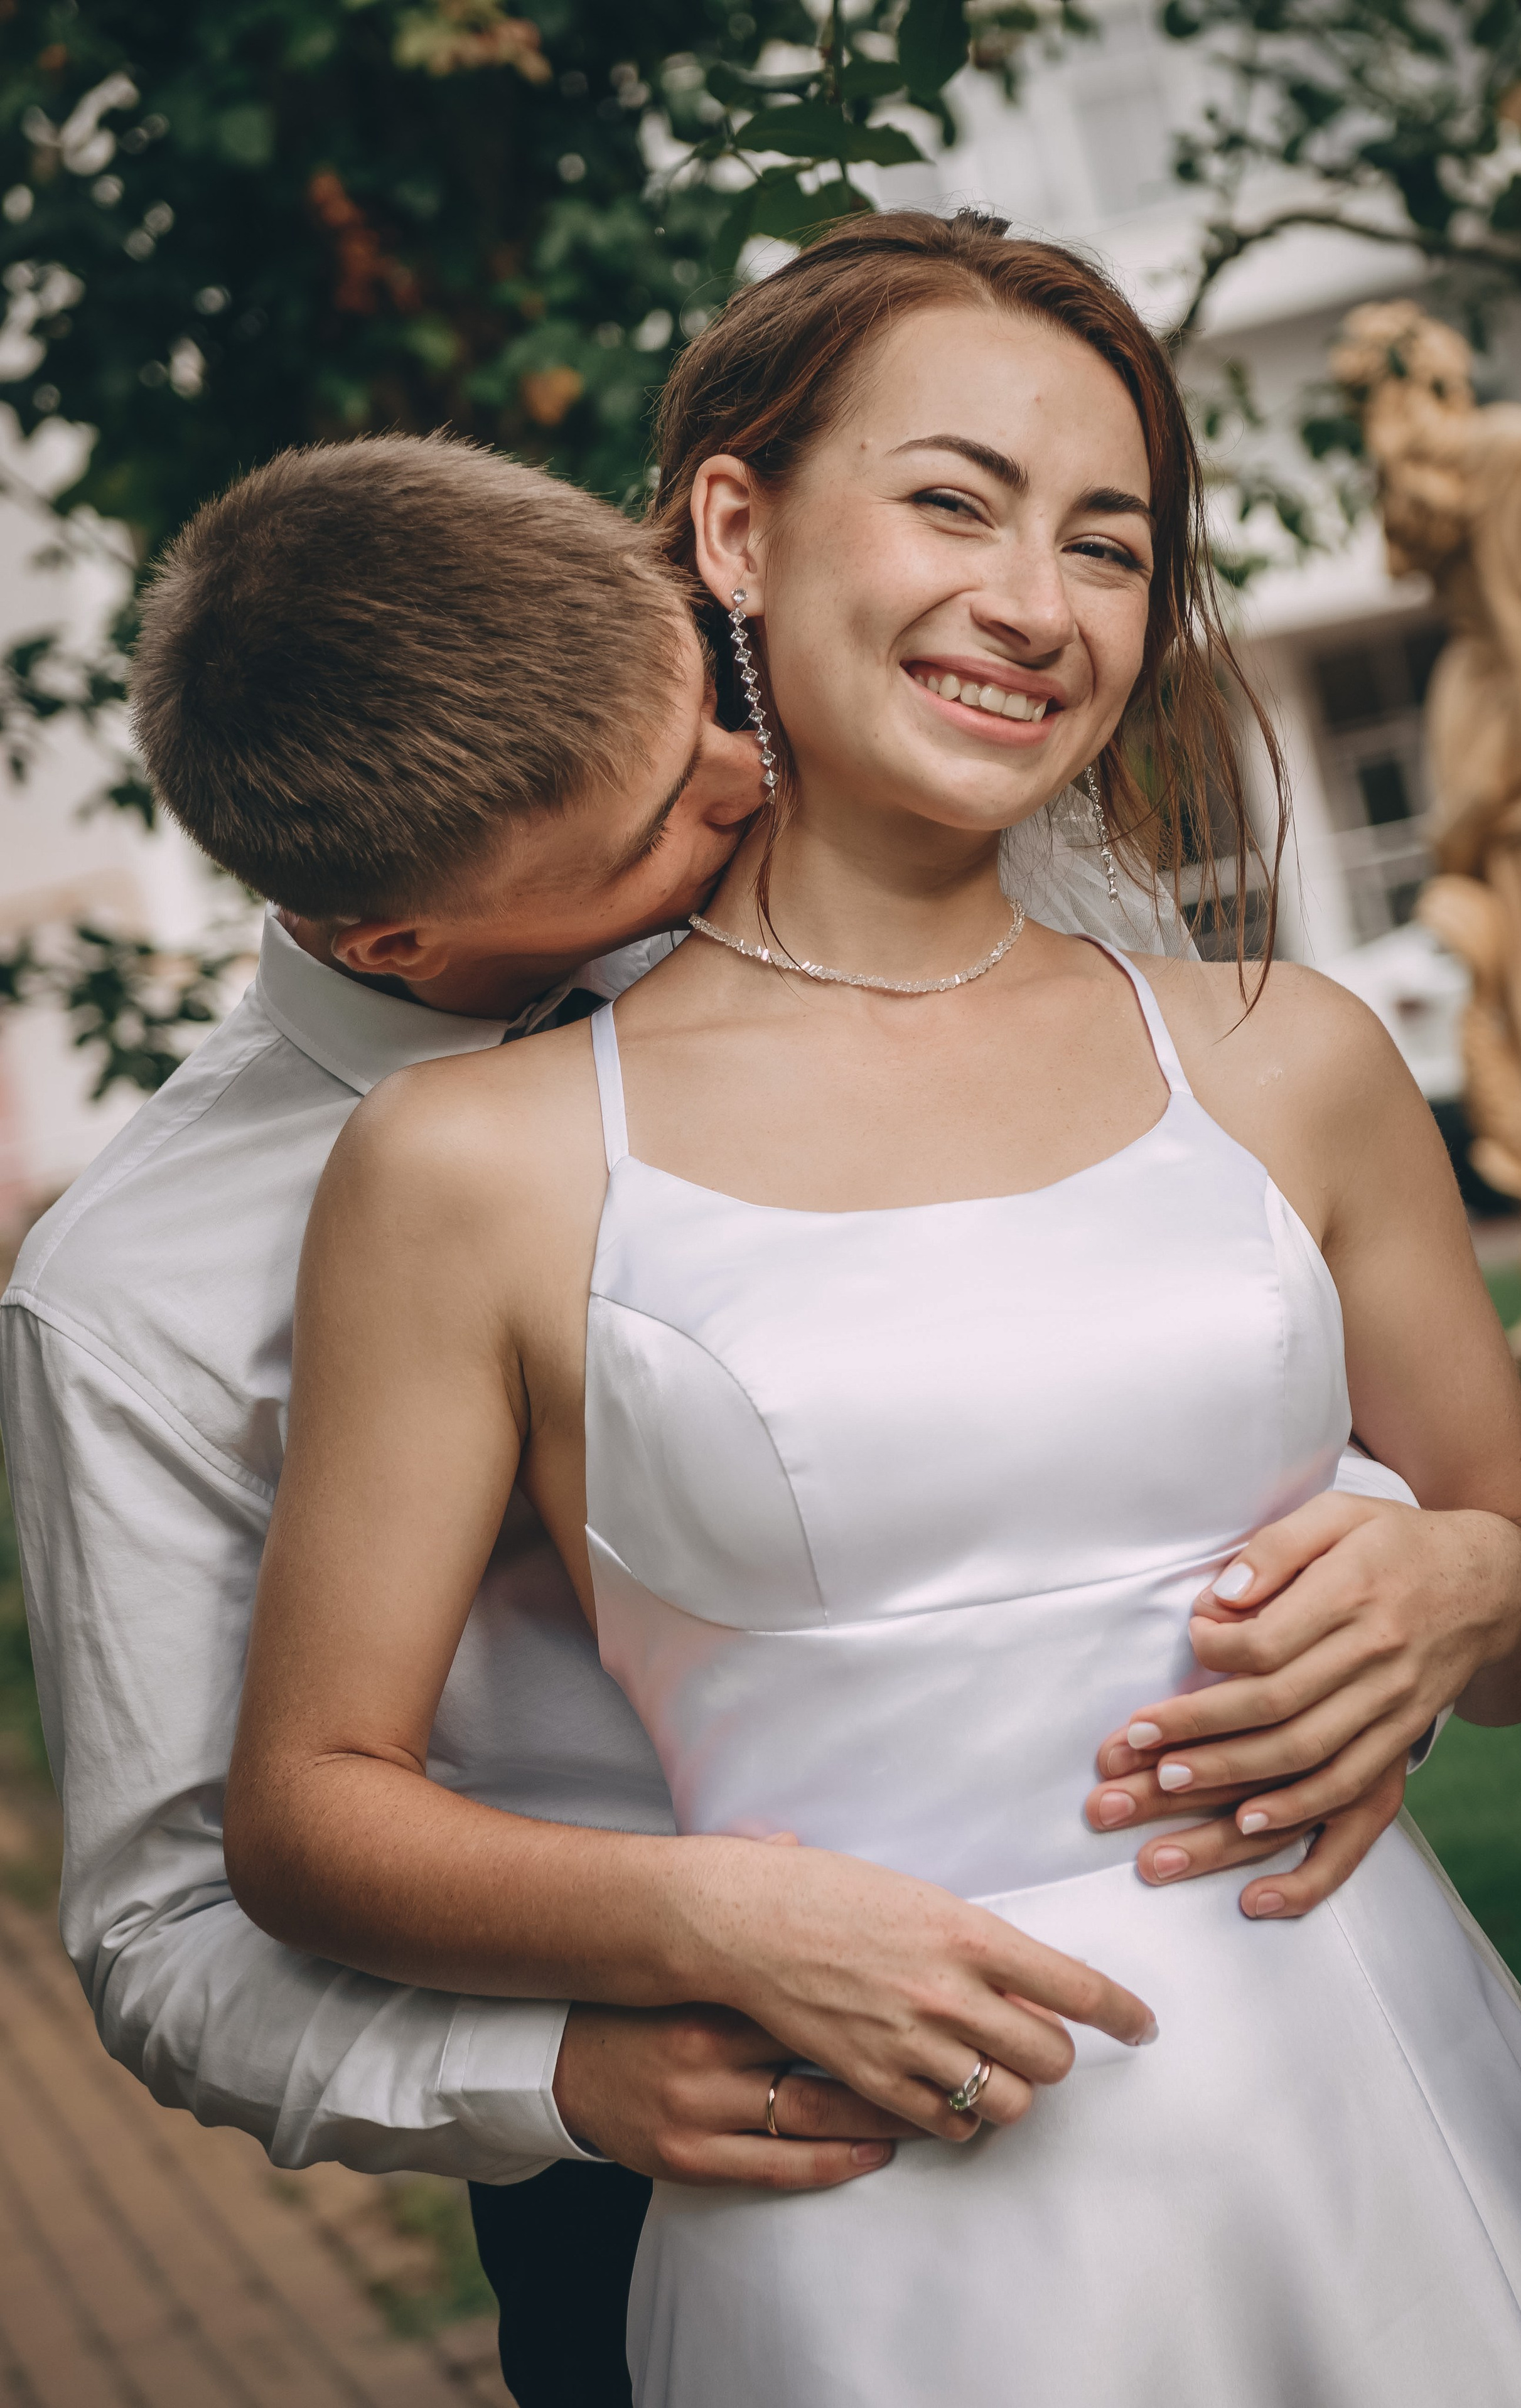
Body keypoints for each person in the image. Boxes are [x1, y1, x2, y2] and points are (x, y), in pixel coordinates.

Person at [225, 213, 1521, 2404]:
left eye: (1110, 544)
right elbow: (305, 1809)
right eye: (953, 501)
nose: (1036, 607)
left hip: (1373, 2134)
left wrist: (1463, 1584)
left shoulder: (1284, 1053)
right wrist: (705, 1919)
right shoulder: (473, 1169)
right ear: (738, 528)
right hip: (879, 2240)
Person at [0, 428, 1409, 2407]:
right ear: (391, 939)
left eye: (708, 706)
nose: (753, 787)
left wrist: (1394, 1579)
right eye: (663, 815)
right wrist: (567, 2068)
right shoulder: (136, 1299)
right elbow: (164, 1931)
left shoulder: (847, 886)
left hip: (1249, 2022)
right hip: (678, 2157)